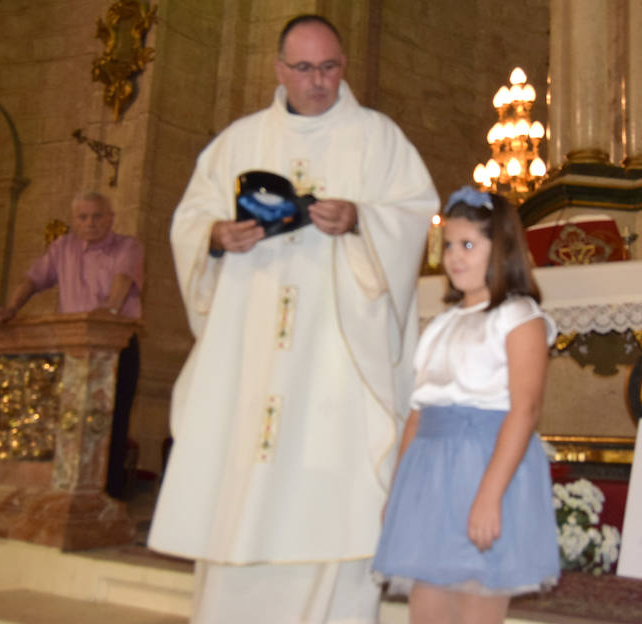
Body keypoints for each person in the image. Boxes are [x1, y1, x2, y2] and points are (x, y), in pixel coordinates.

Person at [147, 13, 439, 624]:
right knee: (246, 472)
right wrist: (218, 237)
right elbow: (187, 224)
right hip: (252, 348)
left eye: (330, 67)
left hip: (335, 351)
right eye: (305, 68)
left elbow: (415, 212)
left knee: (335, 481)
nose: (319, 81)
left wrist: (360, 219)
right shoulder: (238, 142)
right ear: (280, 70)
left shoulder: (378, 137)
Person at [372, 187, 560, 624]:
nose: (454, 257)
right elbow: (419, 413)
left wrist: (489, 496)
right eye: (450, 245)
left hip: (485, 468)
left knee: (475, 601)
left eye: (469, 245)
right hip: (430, 475)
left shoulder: (519, 318)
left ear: (503, 248)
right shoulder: (442, 324)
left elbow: (525, 411)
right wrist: (398, 490)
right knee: (428, 608)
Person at [0, 191, 144, 499]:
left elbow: (123, 280)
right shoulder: (62, 248)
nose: (91, 223)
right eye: (83, 217)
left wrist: (109, 313)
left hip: (116, 345)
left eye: (97, 216)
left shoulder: (129, 246)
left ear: (110, 218)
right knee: (65, 420)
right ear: (74, 221)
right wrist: (11, 308)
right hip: (71, 346)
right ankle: (61, 494)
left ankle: (104, 498)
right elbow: (33, 279)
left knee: (108, 421)